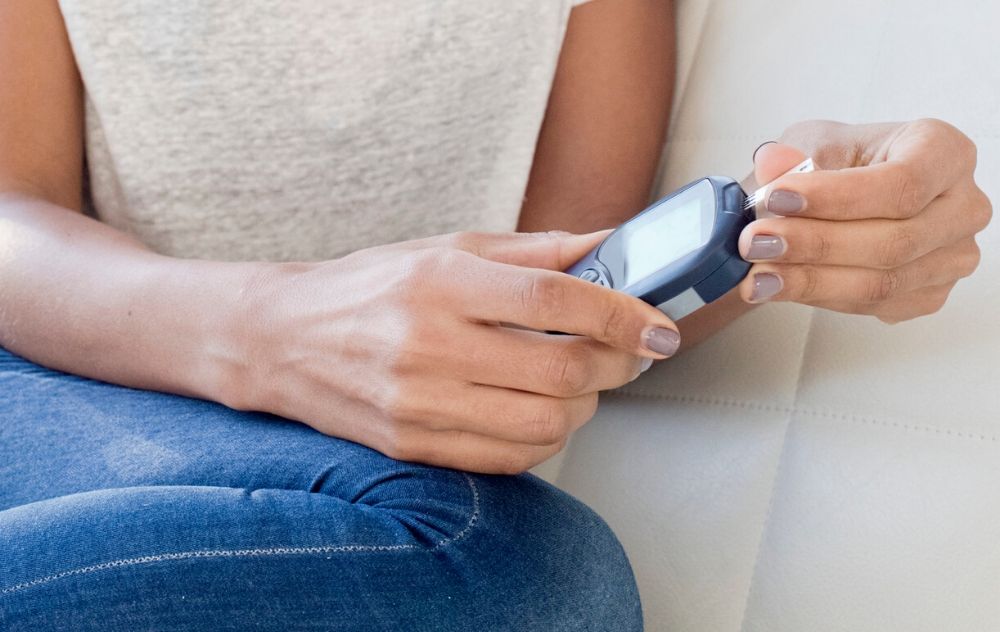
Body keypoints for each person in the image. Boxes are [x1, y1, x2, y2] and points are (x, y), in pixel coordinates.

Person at [0, 0, 990, 630]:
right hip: (62, 384)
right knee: (520, 578)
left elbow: (570, 291)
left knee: (532, 583)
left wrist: (783, 224)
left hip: (332, 473)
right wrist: (269, 332)